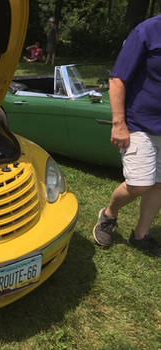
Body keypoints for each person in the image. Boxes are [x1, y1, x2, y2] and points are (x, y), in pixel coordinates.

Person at [93, 14, 161, 256]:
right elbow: (118, 79)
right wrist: (118, 122)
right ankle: (109, 214)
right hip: (139, 122)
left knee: (159, 184)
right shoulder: (147, 31)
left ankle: (141, 235)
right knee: (139, 183)